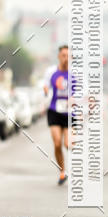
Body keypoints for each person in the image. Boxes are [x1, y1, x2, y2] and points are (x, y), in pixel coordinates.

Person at [43, 45, 74, 186]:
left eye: (68, 56)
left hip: (69, 113)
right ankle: (62, 171)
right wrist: (44, 91)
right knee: (57, 143)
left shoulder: (75, 74)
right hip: (54, 110)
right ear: (58, 56)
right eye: (63, 55)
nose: (65, 58)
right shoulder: (51, 72)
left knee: (68, 144)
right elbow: (45, 88)